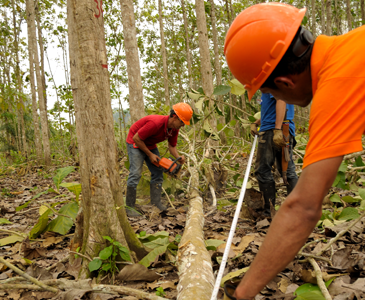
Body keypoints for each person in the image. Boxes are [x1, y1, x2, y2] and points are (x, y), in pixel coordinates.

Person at [223, 2, 365, 299]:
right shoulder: (354, 46)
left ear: (284, 82)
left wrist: (242, 294)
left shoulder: (337, 82)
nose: (273, 98)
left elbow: (303, 207)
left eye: (269, 92)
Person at [125, 103, 193, 217]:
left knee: (158, 172)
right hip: (135, 142)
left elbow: (172, 147)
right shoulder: (156, 123)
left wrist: (178, 157)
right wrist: (150, 154)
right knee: (136, 173)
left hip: (150, 144)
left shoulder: (174, 129)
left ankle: (156, 203)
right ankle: (129, 207)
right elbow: (137, 138)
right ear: (175, 117)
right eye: (182, 122)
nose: (182, 126)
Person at [251, 93, 298, 216]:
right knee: (287, 169)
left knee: (263, 170)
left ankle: (269, 211)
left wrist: (277, 129)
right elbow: (271, 110)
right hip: (279, 128)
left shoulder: (271, 80)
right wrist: (257, 123)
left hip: (273, 131)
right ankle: (295, 211)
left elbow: (281, 99)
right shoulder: (275, 85)